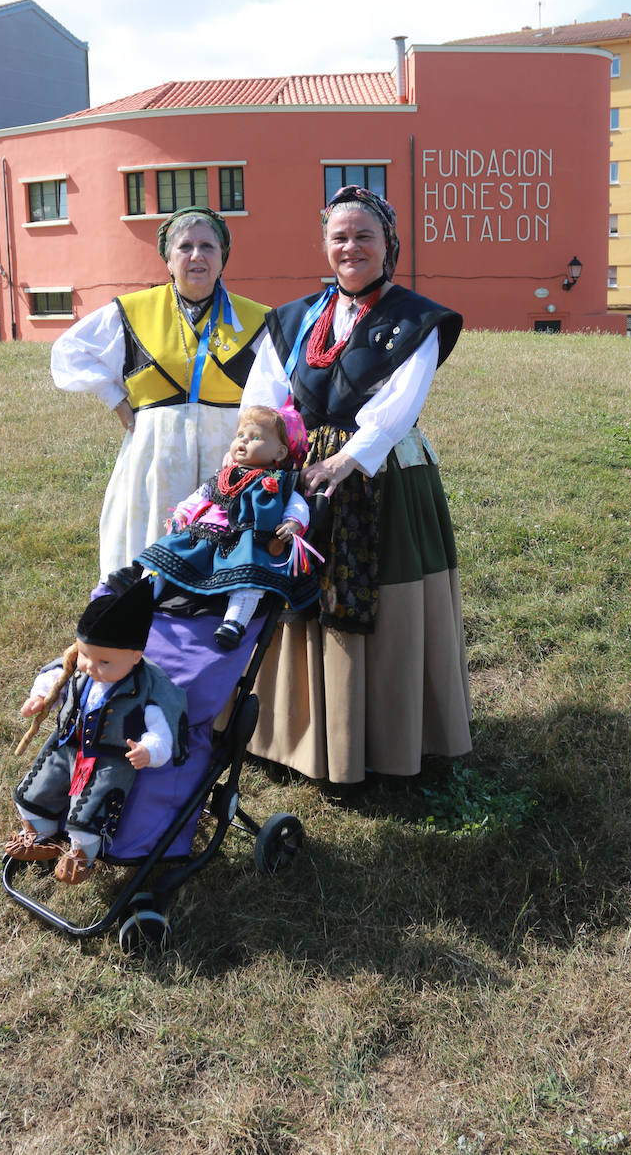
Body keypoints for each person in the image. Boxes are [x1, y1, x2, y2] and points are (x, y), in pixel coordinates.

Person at [240, 185, 472, 784]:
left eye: (364, 236)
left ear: (388, 244)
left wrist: (345, 462)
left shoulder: (415, 319)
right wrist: (257, 456)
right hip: (298, 469)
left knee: (378, 600)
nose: (351, 247)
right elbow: (262, 397)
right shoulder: (293, 319)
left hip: (382, 473)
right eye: (339, 237)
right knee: (296, 594)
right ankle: (299, 739)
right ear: (325, 246)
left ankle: (383, 743)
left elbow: (398, 407)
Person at [50, 207, 268, 580]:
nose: (196, 256)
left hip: (227, 461)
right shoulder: (133, 311)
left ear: (222, 257)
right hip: (153, 461)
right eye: (185, 247)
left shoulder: (258, 319)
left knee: (220, 559)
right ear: (168, 260)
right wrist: (114, 398)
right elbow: (68, 353)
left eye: (207, 246)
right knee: (145, 548)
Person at [5, 579, 188, 884]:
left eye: (104, 661)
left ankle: (81, 856)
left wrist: (149, 751)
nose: (90, 666)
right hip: (68, 743)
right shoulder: (80, 666)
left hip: (110, 757)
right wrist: (39, 698)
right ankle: (40, 833)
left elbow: (161, 729)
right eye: (86, 655)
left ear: (135, 656)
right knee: (38, 785)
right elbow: (55, 680)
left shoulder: (147, 687)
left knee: (90, 807)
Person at [136, 403, 317, 650]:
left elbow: (296, 506)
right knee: (163, 554)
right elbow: (201, 496)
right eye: (240, 435)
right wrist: (181, 514)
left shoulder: (282, 482)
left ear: (281, 452)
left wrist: (292, 523)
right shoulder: (223, 476)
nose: (243, 441)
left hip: (248, 540)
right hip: (205, 533)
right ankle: (143, 599)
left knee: (250, 577)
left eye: (255, 438)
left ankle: (234, 622)